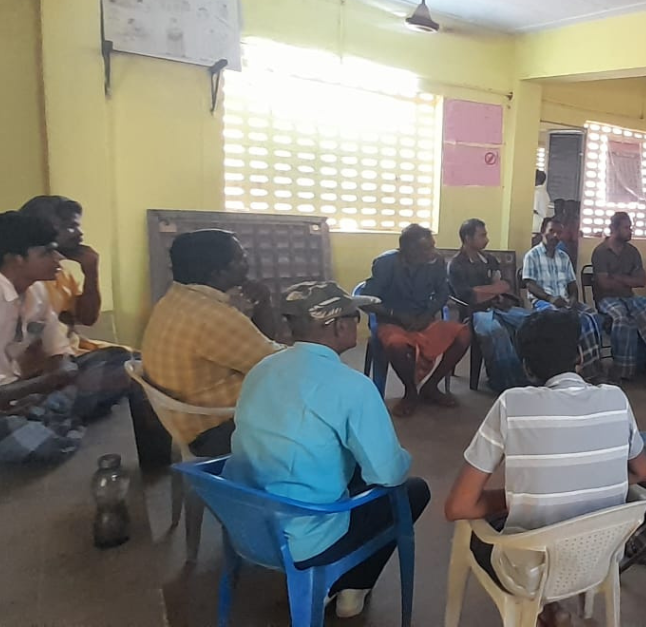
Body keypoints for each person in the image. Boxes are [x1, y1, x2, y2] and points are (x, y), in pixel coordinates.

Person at [224, 282, 430, 620]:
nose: (358, 325)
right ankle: (351, 586)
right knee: (412, 491)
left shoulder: (261, 369)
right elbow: (389, 474)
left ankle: (338, 585)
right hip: (305, 538)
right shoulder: (353, 386)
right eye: (355, 318)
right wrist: (400, 456)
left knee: (348, 465)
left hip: (247, 522)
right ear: (338, 326)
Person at [445, 308, 646, 616]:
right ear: (580, 356)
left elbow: (458, 507)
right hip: (601, 559)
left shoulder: (512, 404)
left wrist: (521, 498)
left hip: (529, 575)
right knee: (549, 521)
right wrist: (585, 483)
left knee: (482, 528)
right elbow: (642, 471)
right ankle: (554, 611)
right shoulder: (616, 399)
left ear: (527, 368)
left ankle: (546, 612)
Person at [141, 229, 281, 456]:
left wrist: (262, 304)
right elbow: (281, 366)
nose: (247, 264)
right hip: (216, 429)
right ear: (218, 273)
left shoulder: (175, 299)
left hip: (185, 419)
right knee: (316, 401)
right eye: (240, 259)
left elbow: (261, 349)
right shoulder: (213, 316)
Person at [19, 196, 134, 422]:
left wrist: (91, 272)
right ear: (41, 229)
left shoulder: (59, 272)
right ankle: (52, 411)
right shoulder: (27, 281)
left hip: (71, 356)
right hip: (40, 371)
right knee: (129, 369)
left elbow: (87, 318)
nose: (79, 233)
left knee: (138, 364)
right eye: (69, 226)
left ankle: (61, 409)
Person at [0, 212, 84, 463]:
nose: (58, 258)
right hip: (15, 396)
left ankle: (44, 418)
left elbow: (58, 349)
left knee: (118, 362)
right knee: (30, 437)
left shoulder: (36, 291)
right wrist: (47, 382)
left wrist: (59, 372)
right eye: (47, 252)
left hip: (24, 391)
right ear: (15, 260)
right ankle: (51, 422)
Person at [363, 224, 471, 417]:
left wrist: (427, 314)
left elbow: (442, 293)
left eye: (433, 246)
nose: (433, 252)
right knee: (396, 345)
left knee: (463, 334)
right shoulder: (386, 263)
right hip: (392, 322)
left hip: (423, 320)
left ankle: (430, 386)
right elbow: (366, 300)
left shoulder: (436, 262)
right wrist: (396, 314)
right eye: (427, 248)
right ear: (409, 250)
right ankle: (411, 392)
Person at [447, 219, 529, 393]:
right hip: (473, 313)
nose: (487, 239)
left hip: (497, 307)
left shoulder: (490, 260)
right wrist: (493, 290)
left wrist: (482, 291)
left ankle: (526, 372)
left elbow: (505, 285)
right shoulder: (456, 264)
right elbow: (469, 297)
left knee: (532, 320)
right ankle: (503, 380)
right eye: (482, 235)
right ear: (468, 238)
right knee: (495, 330)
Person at [522, 216, 604, 382]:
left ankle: (590, 367)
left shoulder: (563, 257)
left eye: (559, 233)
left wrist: (573, 299)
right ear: (542, 232)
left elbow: (572, 284)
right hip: (544, 302)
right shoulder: (532, 256)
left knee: (593, 317)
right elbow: (530, 284)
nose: (555, 236)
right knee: (567, 321)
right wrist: (550, 298)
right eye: (551, 231)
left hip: (565, 302)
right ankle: (574, 367)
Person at [591, 212, 646, 380]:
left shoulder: (632, 251)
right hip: (607, 299)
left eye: (630, 227)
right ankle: (623, 370)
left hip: (629, 297)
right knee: (623, 320)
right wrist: (628, 280)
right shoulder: (600, 251)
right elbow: (604, 284)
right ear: (614, 229)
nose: (630, 231)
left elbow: (641, 281)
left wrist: (617, 277)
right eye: (626, 227)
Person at [532, 169, 550, 234]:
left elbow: (534, 209)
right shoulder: (545, 192)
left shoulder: (536, 192)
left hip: (535, 223)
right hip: (542, 222)